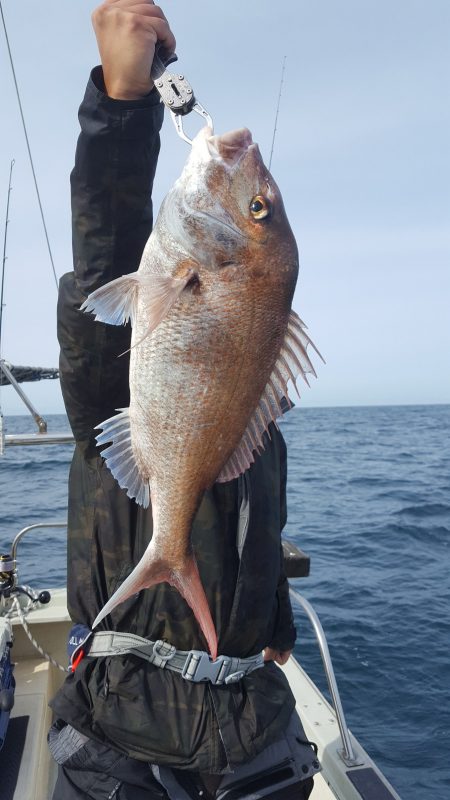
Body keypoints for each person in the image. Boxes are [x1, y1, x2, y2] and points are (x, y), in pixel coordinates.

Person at [49, 2, 320, 798]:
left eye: (258, 208)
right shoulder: (118, 372)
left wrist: (277, 626)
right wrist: (122, 107)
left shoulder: (256, 431)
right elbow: (105, 244)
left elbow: (260, 539)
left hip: (257, 744)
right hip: (117, 743)